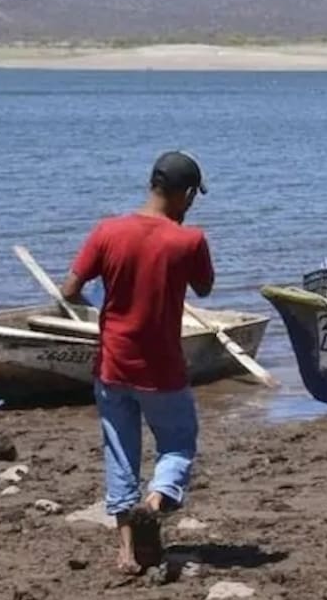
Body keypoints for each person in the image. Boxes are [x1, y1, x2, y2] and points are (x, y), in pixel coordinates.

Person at [60, 150, 215, 574]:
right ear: (184, 194)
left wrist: (104, 301)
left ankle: (127, 554)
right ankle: (155, 501)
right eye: (192, 197)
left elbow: (70, 289)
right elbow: (204, 288)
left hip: (113, 365)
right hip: (162, 370)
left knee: (120, 456)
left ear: (152, 184)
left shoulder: (107, 231)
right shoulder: (189, 240)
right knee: (179, 444)